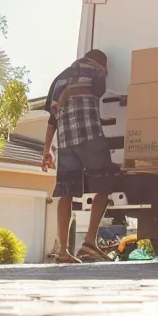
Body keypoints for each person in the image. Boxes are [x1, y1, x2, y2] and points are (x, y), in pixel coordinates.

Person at [41, 49, 116, 263]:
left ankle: (64, 251)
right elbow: (91, 92)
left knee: (66, 192)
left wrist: (47, 150)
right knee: (104, 184)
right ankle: (89, 242)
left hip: (65, 142)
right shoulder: (96, 71)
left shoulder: (58, 79)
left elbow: (52, 120)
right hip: (89, 134)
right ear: (102, 64)